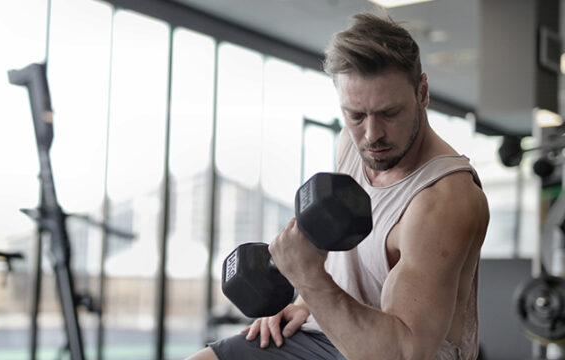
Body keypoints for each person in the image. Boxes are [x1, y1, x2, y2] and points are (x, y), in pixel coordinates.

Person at [187, 11, 489, 360]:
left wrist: (307, 279)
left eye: (389, 114)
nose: (372, 135)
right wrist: (305, 304)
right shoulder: (350, 143)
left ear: (422, 92)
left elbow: (406, 352)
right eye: (356, 115)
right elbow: (343, 256)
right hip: (330, 332)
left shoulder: (443, 200)